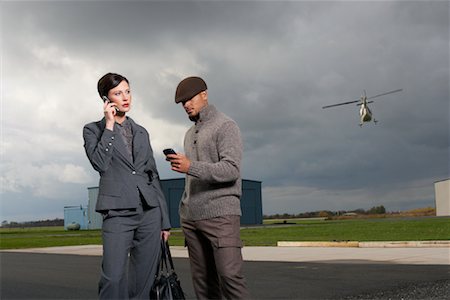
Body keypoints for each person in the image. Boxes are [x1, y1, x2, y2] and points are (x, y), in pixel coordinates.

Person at [83, 72, 171, 299]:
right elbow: (100, 163)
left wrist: (165, 221)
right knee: (112, 278)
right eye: (118, 93)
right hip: (117, 212)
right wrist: (110, 126)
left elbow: (153, 175)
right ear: (106, 99)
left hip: (149, 212)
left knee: (143, 280)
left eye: (128, 91)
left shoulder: (141, 132)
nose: (126, 98)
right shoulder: (93, 130)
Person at [165, 76, 250, 299]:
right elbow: (192, 176)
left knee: (230, 277)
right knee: (203, 284)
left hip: (221, 216)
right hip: (191, 218)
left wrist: (190, 166)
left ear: (205, 94)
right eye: (182, 103)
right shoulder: (189, 134)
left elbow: (231, 170)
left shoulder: (226, 126)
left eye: (189, 99)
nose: (186, 105)